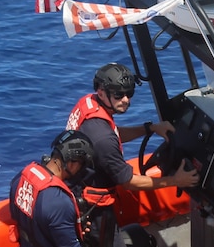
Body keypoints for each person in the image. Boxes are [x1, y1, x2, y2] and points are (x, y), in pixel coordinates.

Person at [66, 62, 201, 194]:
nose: (125, 100)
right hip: (89, 195)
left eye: (129, 93)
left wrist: (150, 128)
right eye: (118, 95)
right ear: (101, 93)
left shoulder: (89, 103)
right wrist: (175, 181)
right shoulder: (103, 138)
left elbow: (113, 134)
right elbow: (128, 182)